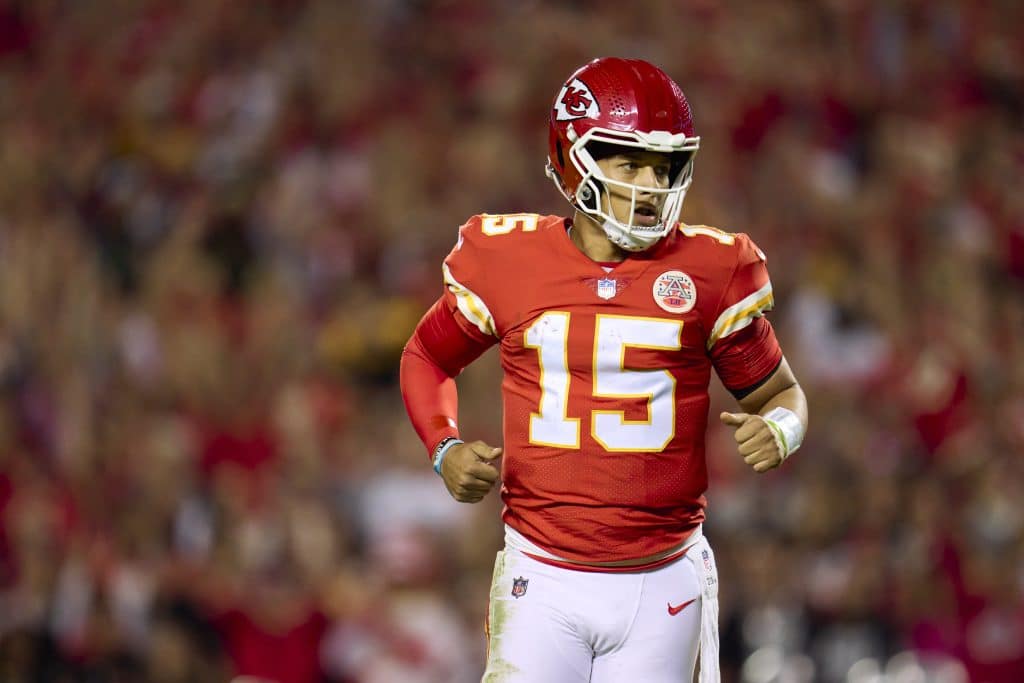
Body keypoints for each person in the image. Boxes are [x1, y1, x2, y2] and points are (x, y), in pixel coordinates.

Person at [400, 57, 808, 683]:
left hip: (663, 579)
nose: (651, 183)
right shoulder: (511, 259)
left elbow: (782, 393)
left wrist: (781, 429)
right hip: (543, 571)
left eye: (664, 166)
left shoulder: (709, 269)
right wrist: (442, 445)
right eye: (630, 162)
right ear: (575, 157)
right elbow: (427, 356)